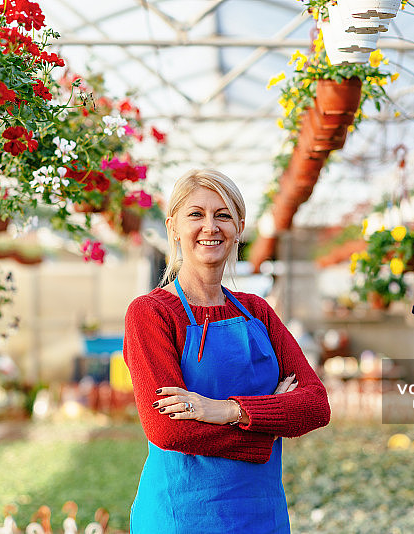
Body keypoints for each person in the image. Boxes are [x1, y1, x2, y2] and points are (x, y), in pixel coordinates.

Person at [123, 168, 331, 533]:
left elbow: (315, 405)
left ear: (239, 228)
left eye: (223, 215)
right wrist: (268, 423)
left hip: (262, 512)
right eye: (196, 214)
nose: (210, 226)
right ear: (173, 227)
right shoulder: (151, 313)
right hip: (183, 514)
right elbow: (167, 430)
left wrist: (224, 410)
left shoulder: (259, 312)